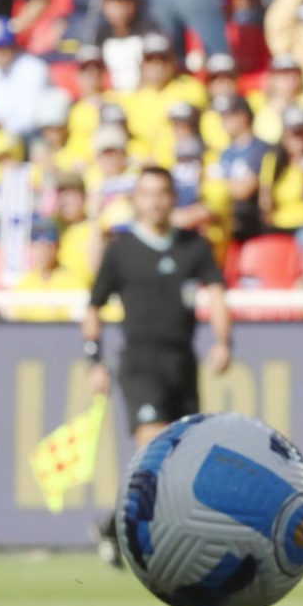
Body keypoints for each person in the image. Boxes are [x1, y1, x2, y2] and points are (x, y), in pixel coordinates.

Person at [83, 167, 234, 566]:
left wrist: (222, 340)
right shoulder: (122, 249)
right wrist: (94, 360)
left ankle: (116, 524)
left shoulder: (193, 245)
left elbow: (217, 292)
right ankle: (150, 538)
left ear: (173, 198)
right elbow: (93, 307)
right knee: (154, 449)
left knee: (180, 457)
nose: (155, 201)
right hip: (140, 361)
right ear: (136, 199)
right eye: (146, 193)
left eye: (162, 193)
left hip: (182, 361)